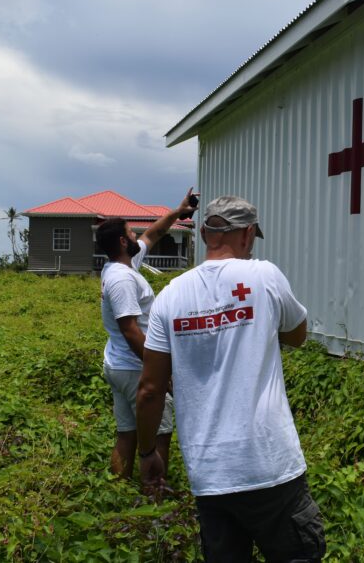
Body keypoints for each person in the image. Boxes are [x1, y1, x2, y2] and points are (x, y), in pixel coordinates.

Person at [136, 195, 325, 562]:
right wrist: (256, 323)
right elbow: (297, 335)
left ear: (205, 233)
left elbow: (149, 390)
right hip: (271, 468)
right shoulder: (263, 276)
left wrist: (148, 453)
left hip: (210, 476)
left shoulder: (169, 297)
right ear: (248, 234)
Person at [97, 187, 198, 479]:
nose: (135, 236)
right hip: (135, 368)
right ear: (121, 241)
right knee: (158, 435)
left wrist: (179, 212)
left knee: (127, 432)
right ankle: (154, 497)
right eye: (131, 233)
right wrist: (159, 370)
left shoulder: (123, 265)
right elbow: (129, 330)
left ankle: (118, 488)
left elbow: (153, 234)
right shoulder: (122, 280)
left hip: (120, 366)